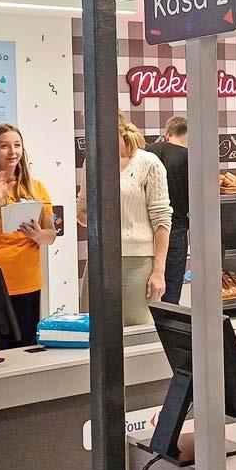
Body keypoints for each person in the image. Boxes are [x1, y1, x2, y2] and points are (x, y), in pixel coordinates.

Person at [0, 124, 56, 347]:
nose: (12, 151)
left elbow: (50, 235)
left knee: (24, 349)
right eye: (4, 146)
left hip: (27, 284)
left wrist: (38, 235)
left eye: (17, 145)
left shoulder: (35, 187)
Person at [77, 114, 172, 326]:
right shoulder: (91, 162)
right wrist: (99, 222)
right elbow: (81, 211)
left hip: (137, 262)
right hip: (99, 259)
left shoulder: (148, 162)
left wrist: (159, 271)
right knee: (93, 327)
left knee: (135, 328)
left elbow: (162, 220)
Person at [147, 115, 189, 305]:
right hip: (175, 226)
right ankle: (167, 321)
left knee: (147, 285)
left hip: (148, 227)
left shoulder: (148, 152)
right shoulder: (189, 158)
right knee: (171, 288)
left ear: (167, 134)